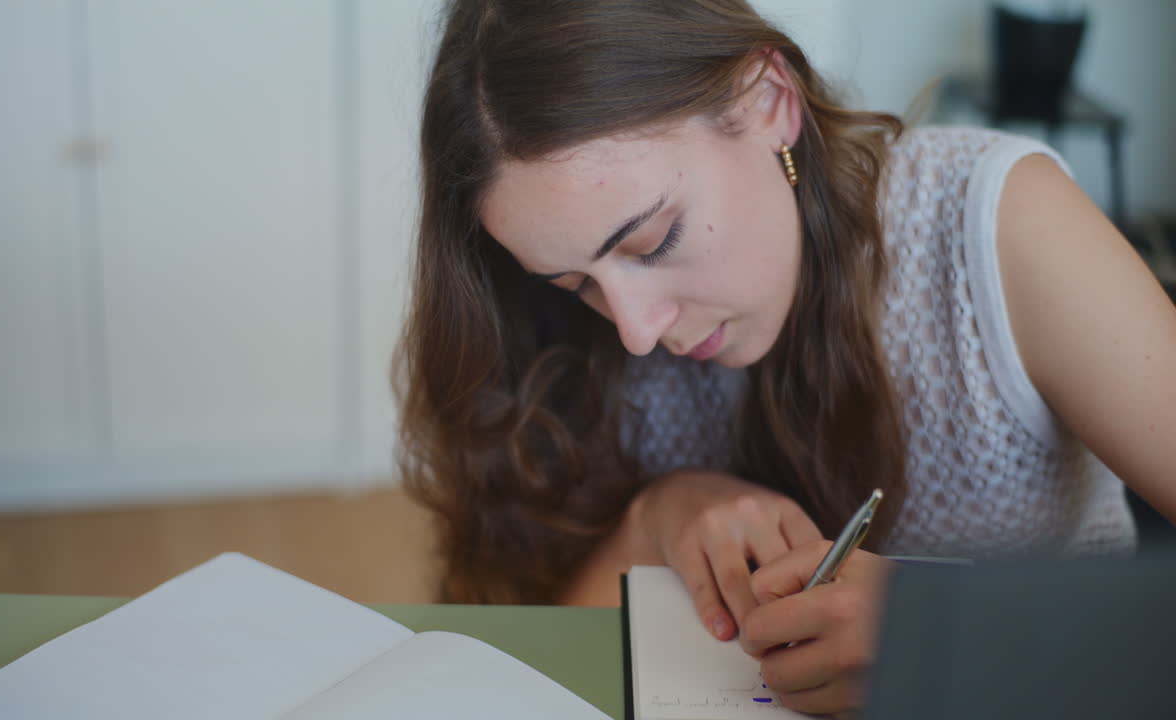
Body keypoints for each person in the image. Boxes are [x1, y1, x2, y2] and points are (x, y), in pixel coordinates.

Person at [395, 0, 1176, 714]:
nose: (636, 330)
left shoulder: (995, 227)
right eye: (575, 284)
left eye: (652, 239)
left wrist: (945, 635)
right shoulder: (568, 341)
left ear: (770, 102)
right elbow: (546, 666)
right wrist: (655, 519)